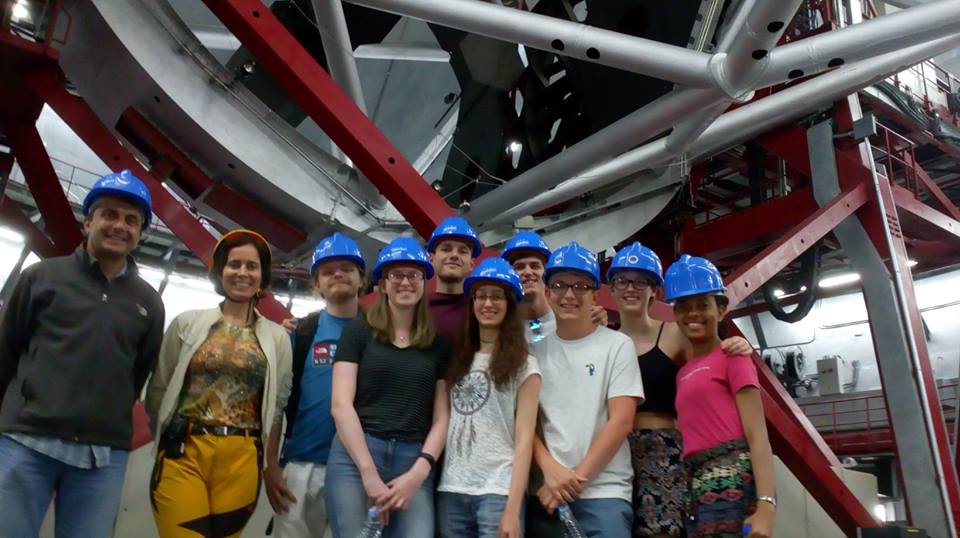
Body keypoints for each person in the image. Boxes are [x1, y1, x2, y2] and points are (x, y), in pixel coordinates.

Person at [0, 169, 164, 538]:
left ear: (140, 233)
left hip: (102, 458)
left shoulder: (149, 303)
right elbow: (6, 351)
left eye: (131, 220)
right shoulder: (40, 277)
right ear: (88, 222)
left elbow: (137, 372)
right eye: (109, 214)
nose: (119, 226)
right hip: (25, 443)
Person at [145, 229, 293, 538]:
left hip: (243, 458)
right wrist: (165, 432)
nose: (242, 273)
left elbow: (277, 406)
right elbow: (160, 386)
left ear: (262, 275)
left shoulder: (277, 337)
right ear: (220, 271)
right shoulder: (187, 323)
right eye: (234, 264)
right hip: (183, 451)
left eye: (252, 266)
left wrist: (270, 464)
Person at [608, 242, 753, 538]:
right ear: (612, 287)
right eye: (622, 280)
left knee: (665, 532)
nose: (631, 288)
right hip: (613, 452)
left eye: (640, 281)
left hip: (662, 449)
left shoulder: (674, 334)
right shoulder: (603, 341)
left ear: (655, 290)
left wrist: (738, 344)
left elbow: (712, 362)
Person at [325, 237, 451, 538]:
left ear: (424, 283)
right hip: (356, 456)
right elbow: (341, 405)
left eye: (413, 275)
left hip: (413, 460)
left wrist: (418, 473)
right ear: (382, 284)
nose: (405, 282)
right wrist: (368, 473)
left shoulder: (437, 344)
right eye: (396, 275)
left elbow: (442, 418)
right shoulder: (359, 331)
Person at [528, 241, 644, 538]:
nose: (569, 294)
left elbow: (621, 421)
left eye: (580, 286)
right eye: (560, 285)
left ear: (595, 294)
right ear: (547, 292)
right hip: (548, 492)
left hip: (604, 493)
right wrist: (550, 470)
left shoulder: (617, 345)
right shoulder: (533, 353)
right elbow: (526, 423)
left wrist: (574, 481)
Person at [665, 255, 776, 538]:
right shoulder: (683, 371)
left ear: (721, 309)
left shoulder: (733, 356)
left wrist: (766, 504)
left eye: (703, 305)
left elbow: (757, 435)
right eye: (684, 307)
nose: (693, 314)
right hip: (696, 483)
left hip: (734, 478)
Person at [265, 232, 365, 538]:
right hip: (300, 467)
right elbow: (277, 404)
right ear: (317, 284)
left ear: (362, 279)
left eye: (347, 268)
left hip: (358, 469)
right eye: (328, 270)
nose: (338, 274)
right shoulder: (300, 333)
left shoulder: (379, 335)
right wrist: (271, 464)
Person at [437, 258, 541, 538]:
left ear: (509, 304)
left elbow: (524, 441)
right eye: (481, 296)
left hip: (498, 492)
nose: (487, 303)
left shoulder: (525, 365)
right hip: (451, 491)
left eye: (497, 296)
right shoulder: (459, 359)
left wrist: (512, 509)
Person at [500, 230, 607, 343]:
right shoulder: (500, 327)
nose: (528, 272)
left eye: (535, 266)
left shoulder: (573, 317)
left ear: (546, 273)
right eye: (519, 267)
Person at [426, 216, 483, 342]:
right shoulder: (416, 309)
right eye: (446, 249)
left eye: (463, 251)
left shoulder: (482, 309)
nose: (454, 255)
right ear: (431, 260)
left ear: (471, 264)